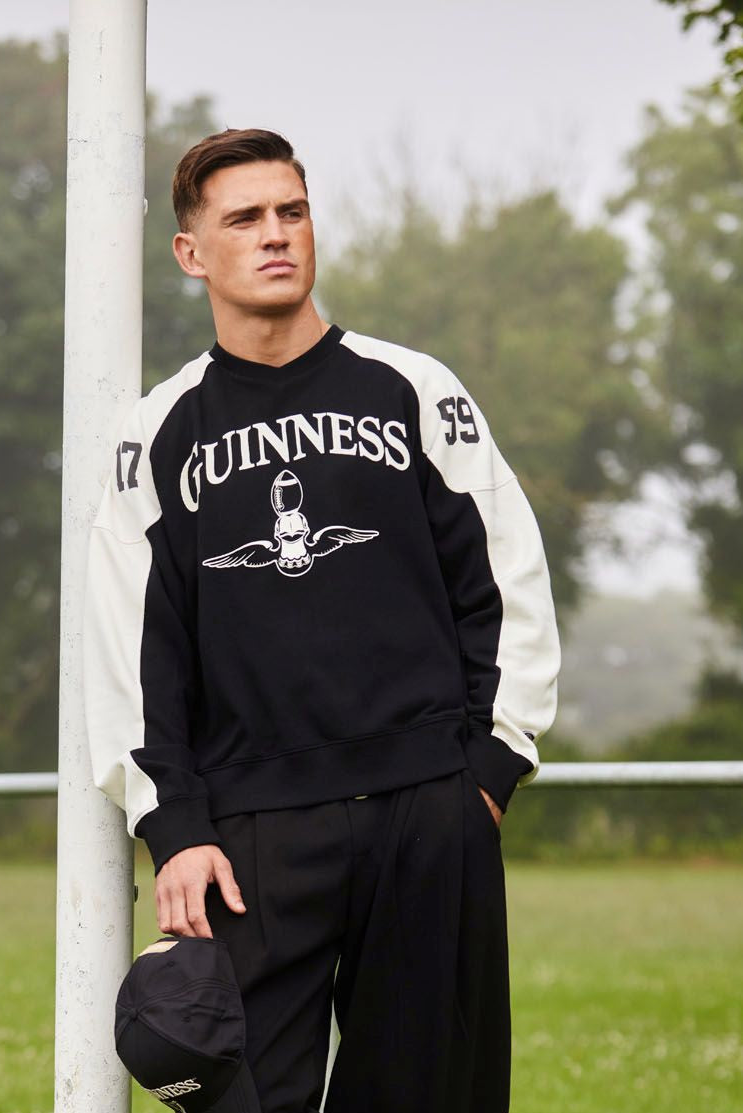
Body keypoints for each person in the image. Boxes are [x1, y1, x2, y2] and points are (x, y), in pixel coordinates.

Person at [83, 128, 560, 1113]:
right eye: (244, 218)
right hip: (249, 839)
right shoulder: (157, 436)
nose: (275, 236)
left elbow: (503, 584)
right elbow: (132, 653)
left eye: (290, 212)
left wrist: (487, 771)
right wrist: (172, 826)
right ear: (190, 253)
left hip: (429, 811)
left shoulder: (413, 391)